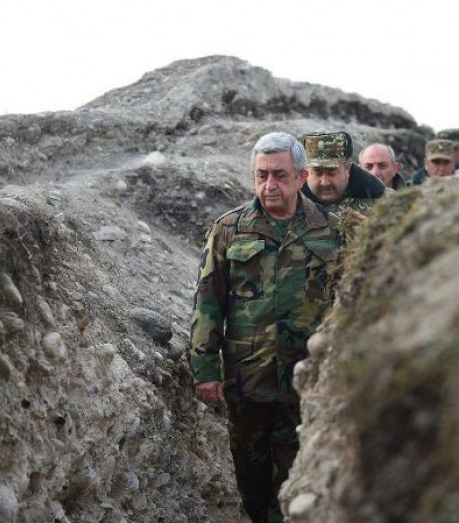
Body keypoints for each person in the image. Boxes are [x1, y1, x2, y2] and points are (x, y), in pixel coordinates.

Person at [190, 132, 342, 523]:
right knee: (251, 478)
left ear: (301, 177)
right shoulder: (229, 228)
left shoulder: (331, 229)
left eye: (279, 175)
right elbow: (208, 301)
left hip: (305, 379)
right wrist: (205, 370)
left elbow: (347, 302)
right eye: (262, 175)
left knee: (295, 476)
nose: (269, 185)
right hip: (248, 378)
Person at [301, 131, 388, 216]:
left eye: (332, 173)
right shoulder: (294, 196)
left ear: (348, 168)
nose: (325, 182)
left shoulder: (379, 197)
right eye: (318, 173)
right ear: (306, 172)